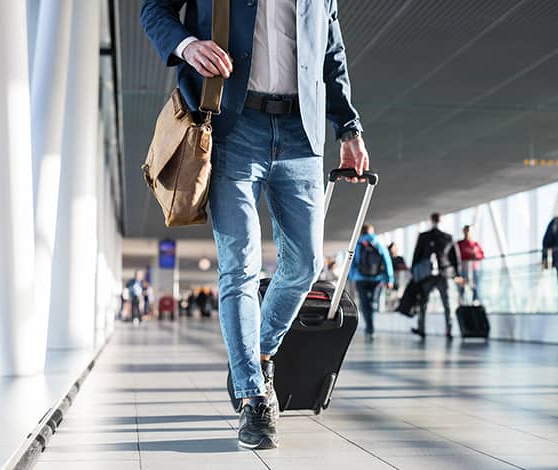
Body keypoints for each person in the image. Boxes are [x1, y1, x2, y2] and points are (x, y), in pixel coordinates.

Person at [141, 0, 369, 449]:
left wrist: (349, 129)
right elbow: (154, 10)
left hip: (302, 135)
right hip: (233, 127)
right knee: (239, 266)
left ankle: (260, 351)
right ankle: (253, 398)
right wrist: (187, 46)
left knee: (304, 265)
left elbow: (331, 53)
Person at [410, 213, 462, 339]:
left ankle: (421, 329)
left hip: (427, 275)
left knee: (423, 303)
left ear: (431, 221)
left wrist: (414, 273)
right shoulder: (447, 237)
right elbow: (454, 258)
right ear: (441, 221)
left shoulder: (424, 236)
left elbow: (416, 256)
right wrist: (457, 274)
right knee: (447, 303)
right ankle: (449, 330)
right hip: (444, 274)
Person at [348, 224, 394, 342]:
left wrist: (352, 276)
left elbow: (352, 261)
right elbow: (387, 261)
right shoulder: (378, 243)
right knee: (373, 303)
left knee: (364, 303)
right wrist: (390, 279)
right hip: (377, 278)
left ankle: (370, 328)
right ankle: (371, 325)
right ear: (372, 232)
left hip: (360, 278)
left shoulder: (357, 244)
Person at [457, 225, 484, 305]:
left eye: (469, 230)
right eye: (466, 230)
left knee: (475, 287)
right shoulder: (459, 244)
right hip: (462, 269)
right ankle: (461, 303)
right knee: (462, 287)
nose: (467, 232)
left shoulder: (475, 244)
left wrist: (476, 256)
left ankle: (475, 302)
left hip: (474, 269)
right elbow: (456, 256)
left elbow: (481, 255)